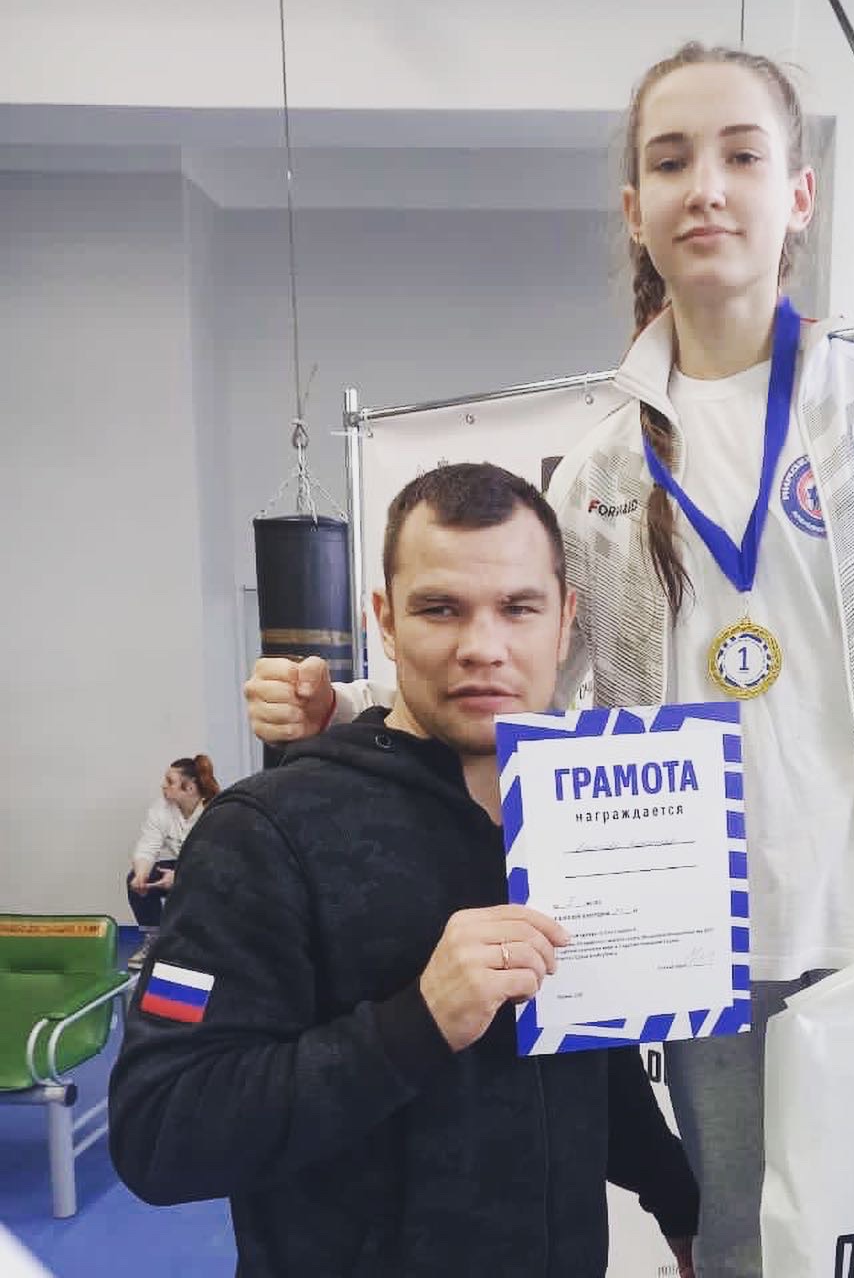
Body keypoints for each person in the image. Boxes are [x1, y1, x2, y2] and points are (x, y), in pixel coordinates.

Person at [244, 43, 854, 1278]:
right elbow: (527, 674)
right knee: (735, 1242)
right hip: (702, 949)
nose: (705, 187)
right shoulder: (601, 468)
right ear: (635, 208)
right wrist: (342, 697)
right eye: (670, 162)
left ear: (798, 195)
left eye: (740, 155)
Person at [111, 465, 697, 1277]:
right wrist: (416, 1023)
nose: (482, 647)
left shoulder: (571, 809)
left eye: (518, 608)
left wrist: (676, 1198)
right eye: (440, 608)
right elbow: (160, 1128)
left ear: (564, 622)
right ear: (385, 622)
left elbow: (582, 1046)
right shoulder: (264, 832)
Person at [125, 755, 219, 971]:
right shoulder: (161, 809)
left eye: (170, 781)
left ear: (190, 788)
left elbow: (216, 858)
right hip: (184, 865)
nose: (163, 785)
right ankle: (155, 940)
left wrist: (181, 877)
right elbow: (147, 847)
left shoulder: (216, 810)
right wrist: (141, 875)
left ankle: (208, 944)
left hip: (215, 870)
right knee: (137, 878)